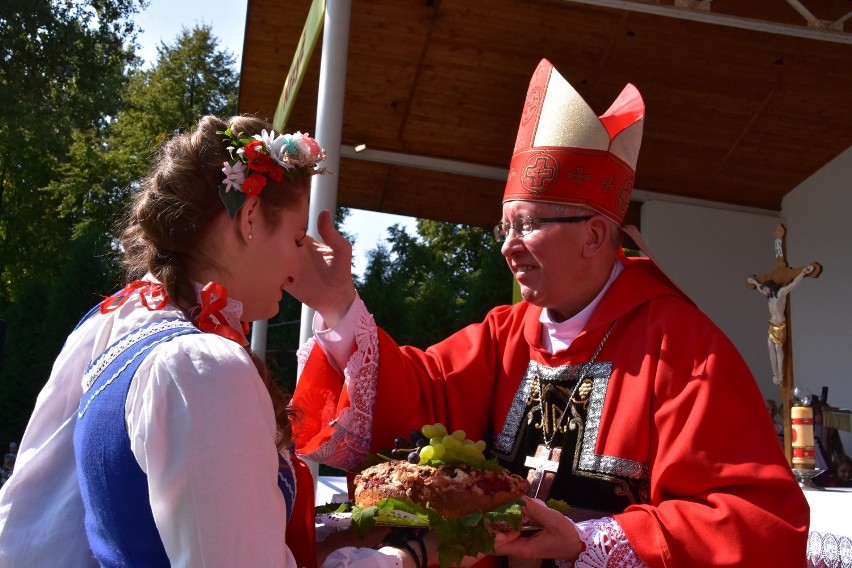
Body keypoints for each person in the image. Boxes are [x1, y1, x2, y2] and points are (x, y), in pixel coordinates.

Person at [288, 59, 810, 567]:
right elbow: (419, 394)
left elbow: (753, 520)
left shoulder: (683, 349)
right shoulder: (505, 333)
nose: (508, 247)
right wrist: (338, 305)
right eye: (504, 228)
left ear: (596, 234)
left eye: (529, 225)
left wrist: (590, 543)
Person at [0, 115, 473, 568]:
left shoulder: (115, 322)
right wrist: (412, 556)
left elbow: (37, 527)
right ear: (249, 217)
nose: (299, 261)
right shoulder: (202, 367)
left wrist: (346, 536)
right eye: (295, 236)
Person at [747, 263, 816, 385]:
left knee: (778, 347)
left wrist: (803, 272)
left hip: (780, 324)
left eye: (765, 289)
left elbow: (793, 284)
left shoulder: (781, 294)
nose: (764, 291)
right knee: (769, 345)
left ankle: (780, 373)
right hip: (772, 324)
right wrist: (755, 281)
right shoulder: (768, 296)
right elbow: (759, 288)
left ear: (770, 288)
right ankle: (775, 373)